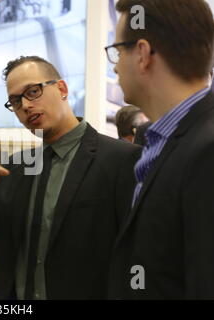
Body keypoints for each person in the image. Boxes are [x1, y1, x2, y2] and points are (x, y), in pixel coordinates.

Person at [0, 55, 141, 299]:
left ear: (62, 89)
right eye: (15, 101)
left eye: (33, 92)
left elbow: (140, 254)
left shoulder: (122, 161)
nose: (25, 105)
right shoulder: (15, 167)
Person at [106, 0, 214, 299]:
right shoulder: (162, 140)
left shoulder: (206, 151)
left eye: (117, 51)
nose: (114, 65)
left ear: (142, 54)